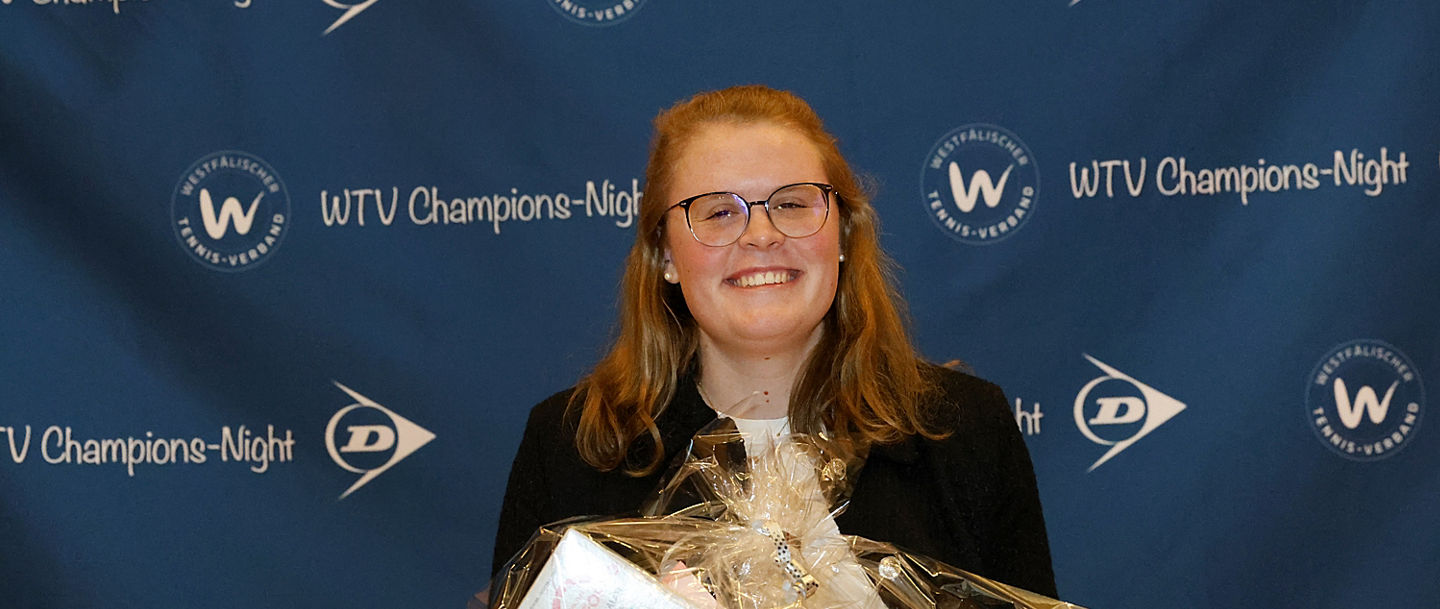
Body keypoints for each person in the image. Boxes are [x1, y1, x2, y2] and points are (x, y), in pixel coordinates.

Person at [491, 84, 1057, 598]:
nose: (760, 235)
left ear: (842, 234)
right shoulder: (571, 446)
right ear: (665, 254)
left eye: (791, 204)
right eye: (718, 212)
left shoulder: (963, 430)